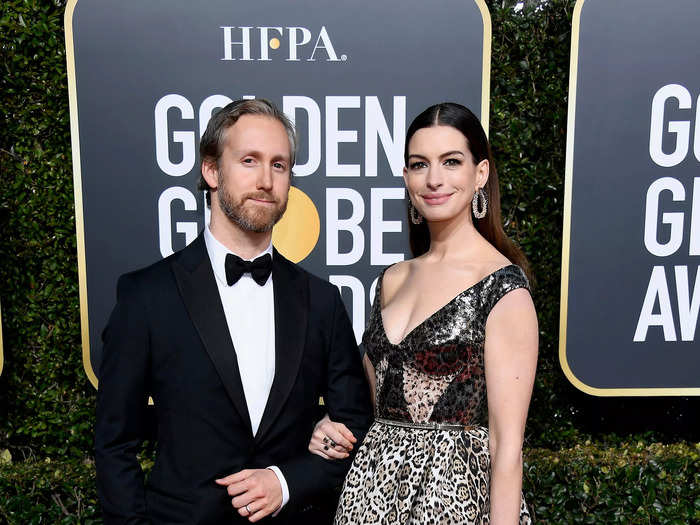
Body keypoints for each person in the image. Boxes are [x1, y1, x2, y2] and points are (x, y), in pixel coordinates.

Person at [95, 99, 372, 525]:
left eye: (279, 165)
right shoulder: (146, 295)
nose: (265, 180)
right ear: (211, 171)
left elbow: (356, 425)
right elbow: (114, 444)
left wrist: (285, 481)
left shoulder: (321, 301)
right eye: (249, 160)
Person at [310, 102, 537, 524]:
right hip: (367, 498)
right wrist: (327, 424)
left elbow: (507, 447)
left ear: (480, 174)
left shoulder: (503, 289)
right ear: (406, 177)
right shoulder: (392, 279)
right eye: (419, 164)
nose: (434, 179)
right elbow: (375, 402)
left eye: (451, 162)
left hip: (452, 503)